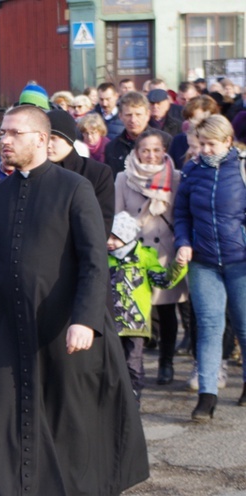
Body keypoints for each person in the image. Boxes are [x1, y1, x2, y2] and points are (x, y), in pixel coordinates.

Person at [0, 105, 149, 495]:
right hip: (3, 326)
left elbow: (94, 259)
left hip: (61, 325)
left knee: (69, 422)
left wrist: (85, 318)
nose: (5, 140)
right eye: (3, 134)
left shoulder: (74, 187)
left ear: (42, 140)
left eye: (14, 133)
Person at [174, 115, 246, 420]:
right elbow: (181, 214)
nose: (202, 149)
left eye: (209, 144)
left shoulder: (241, 169)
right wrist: (183, 241)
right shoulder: (191, 171)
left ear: (228, 141)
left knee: (243, 326)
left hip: (240, 261)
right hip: (203, 262)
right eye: (199, 143)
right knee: (209, 327)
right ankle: (207, 395)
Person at [114, 128, 188, 385]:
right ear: (136, 151)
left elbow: (182, 214)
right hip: (134, 254)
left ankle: (166, 362)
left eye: (156, 150)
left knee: (167, 311)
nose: (150, 155)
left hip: (165, 250)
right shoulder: (123, 178)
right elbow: (118, 215)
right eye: (145, 150)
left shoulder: (176, 177)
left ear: (164, 151)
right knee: (137, 313)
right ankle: (135, 366)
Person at [107, 211, 187, 402]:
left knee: (133, 364)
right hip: (109, 323)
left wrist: (178, 266)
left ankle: (133, 399)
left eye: (115, 238)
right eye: (107, 236)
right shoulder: (103, 258)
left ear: (126, 237)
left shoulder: (144, 256)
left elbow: (163, 281)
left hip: (136, 324)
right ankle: (113, 401)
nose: (109, 242)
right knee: (110, 365)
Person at [47, 109, 115, 237]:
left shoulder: (98, 173)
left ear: (68, 138)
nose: (48, 145)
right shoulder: (36, 172)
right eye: (44, 138)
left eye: (53, 138)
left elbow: (101, 227)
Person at [105, 91, 172, 177]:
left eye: (138, 114)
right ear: (120, 116)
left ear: (147, 114)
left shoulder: (165, 141)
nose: (133, 120)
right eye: (128, 115)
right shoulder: (112, 147)